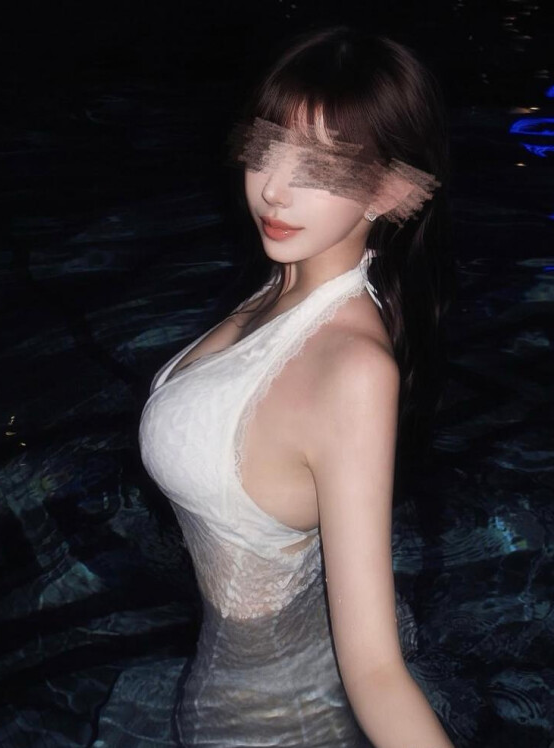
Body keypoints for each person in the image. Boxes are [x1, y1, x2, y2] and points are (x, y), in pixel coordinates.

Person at [139, 24, 457, 748]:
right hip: (251, 664)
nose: (273, 190)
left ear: (391, 191)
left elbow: (376, 673)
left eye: (321, 167)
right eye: (265, 149)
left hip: (274, 715)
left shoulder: (353, 371)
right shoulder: (286, 282)